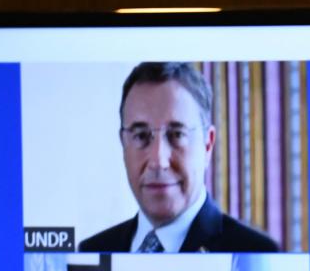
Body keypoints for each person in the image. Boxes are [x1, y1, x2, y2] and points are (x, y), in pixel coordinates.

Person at [79, 62, 279, 253]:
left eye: (177, 135)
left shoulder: (259, 253)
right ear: (123, 144)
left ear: (207, 144)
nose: (158, 161)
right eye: (141, 136)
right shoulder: (91, 251)